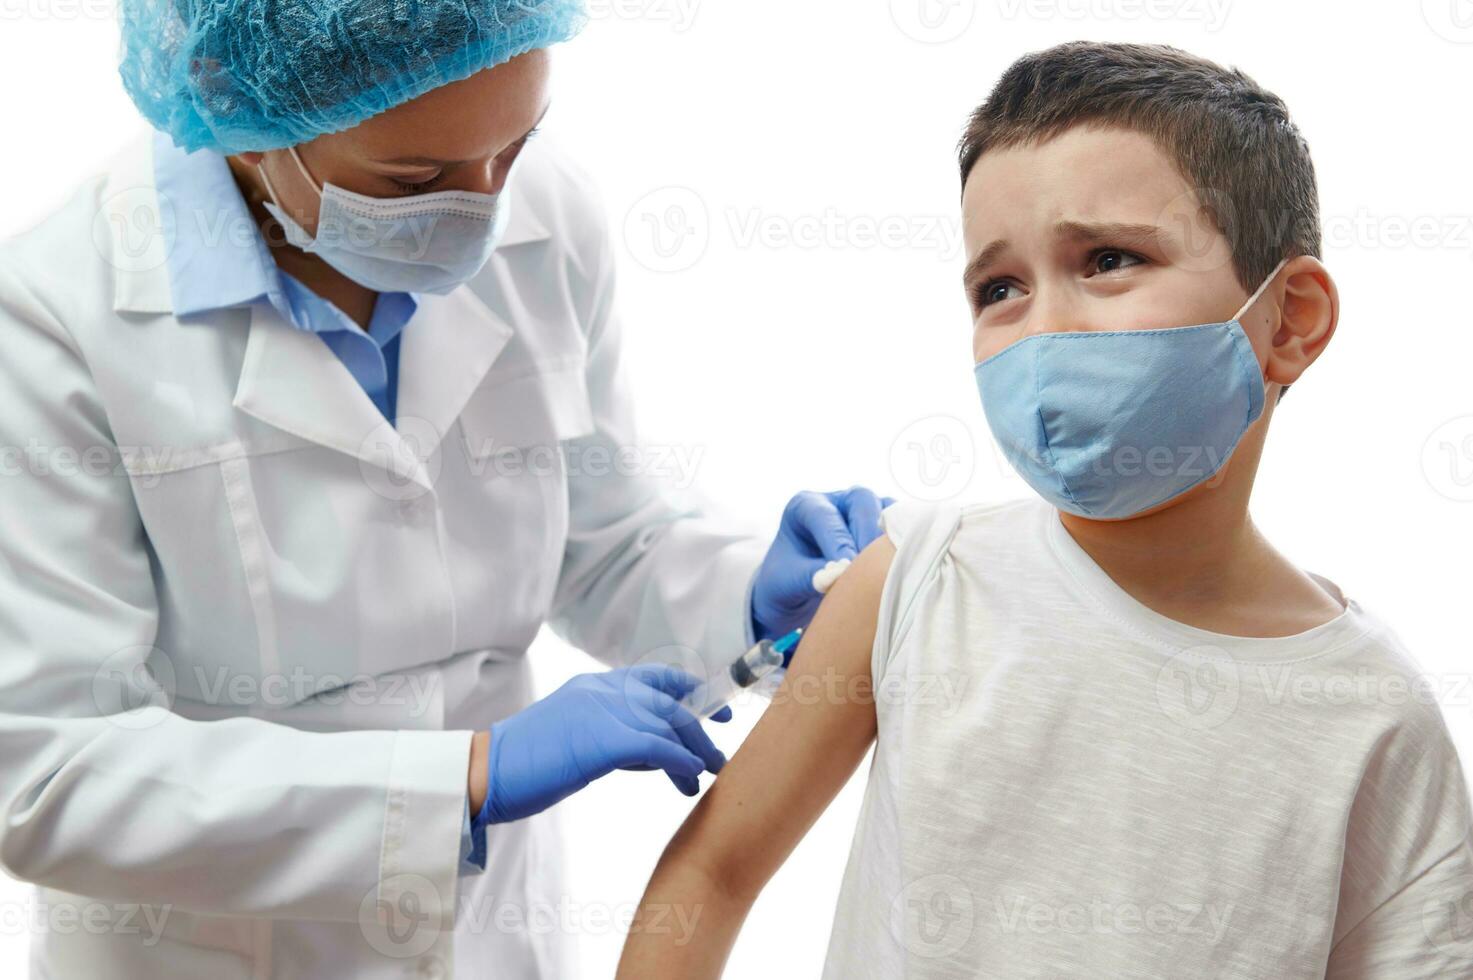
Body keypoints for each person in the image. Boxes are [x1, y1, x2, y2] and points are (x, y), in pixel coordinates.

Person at [0, 1, 888, 977]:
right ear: (243, 123)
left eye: (516, 146)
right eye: (414, 179)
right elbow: (47, 773)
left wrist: (745, 593)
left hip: (490, 937)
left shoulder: (545, 213)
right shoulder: (50, 317)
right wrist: (464, 777)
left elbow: (600, 535)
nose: (483, 207)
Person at [616, 42, 1473, 979]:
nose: (1044, 332)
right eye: (1000, 289)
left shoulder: (1371, 713)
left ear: (1289, 318)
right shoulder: (920, 579)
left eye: (1108, 260)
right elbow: (712, 875)